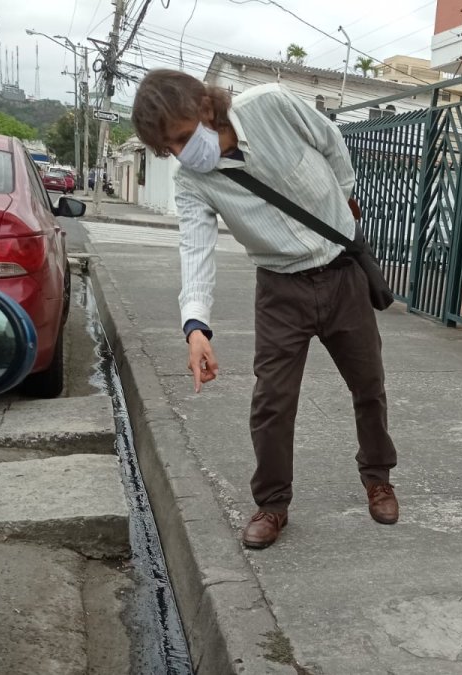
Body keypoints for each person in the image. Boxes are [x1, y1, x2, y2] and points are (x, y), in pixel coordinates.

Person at [130, 70, 399, 549]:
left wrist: (342, 197)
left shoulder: (272, 104)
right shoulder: (192, 183)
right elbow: (195, 250)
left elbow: (331, 143)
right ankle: (272, 504)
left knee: (369, 385)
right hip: (280, 290)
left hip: (342, 273)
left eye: (184, 138)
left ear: (206, 108)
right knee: (272, 402)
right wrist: (196, 326)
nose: (181, 153)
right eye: (169, 148)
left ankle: (378, 479)